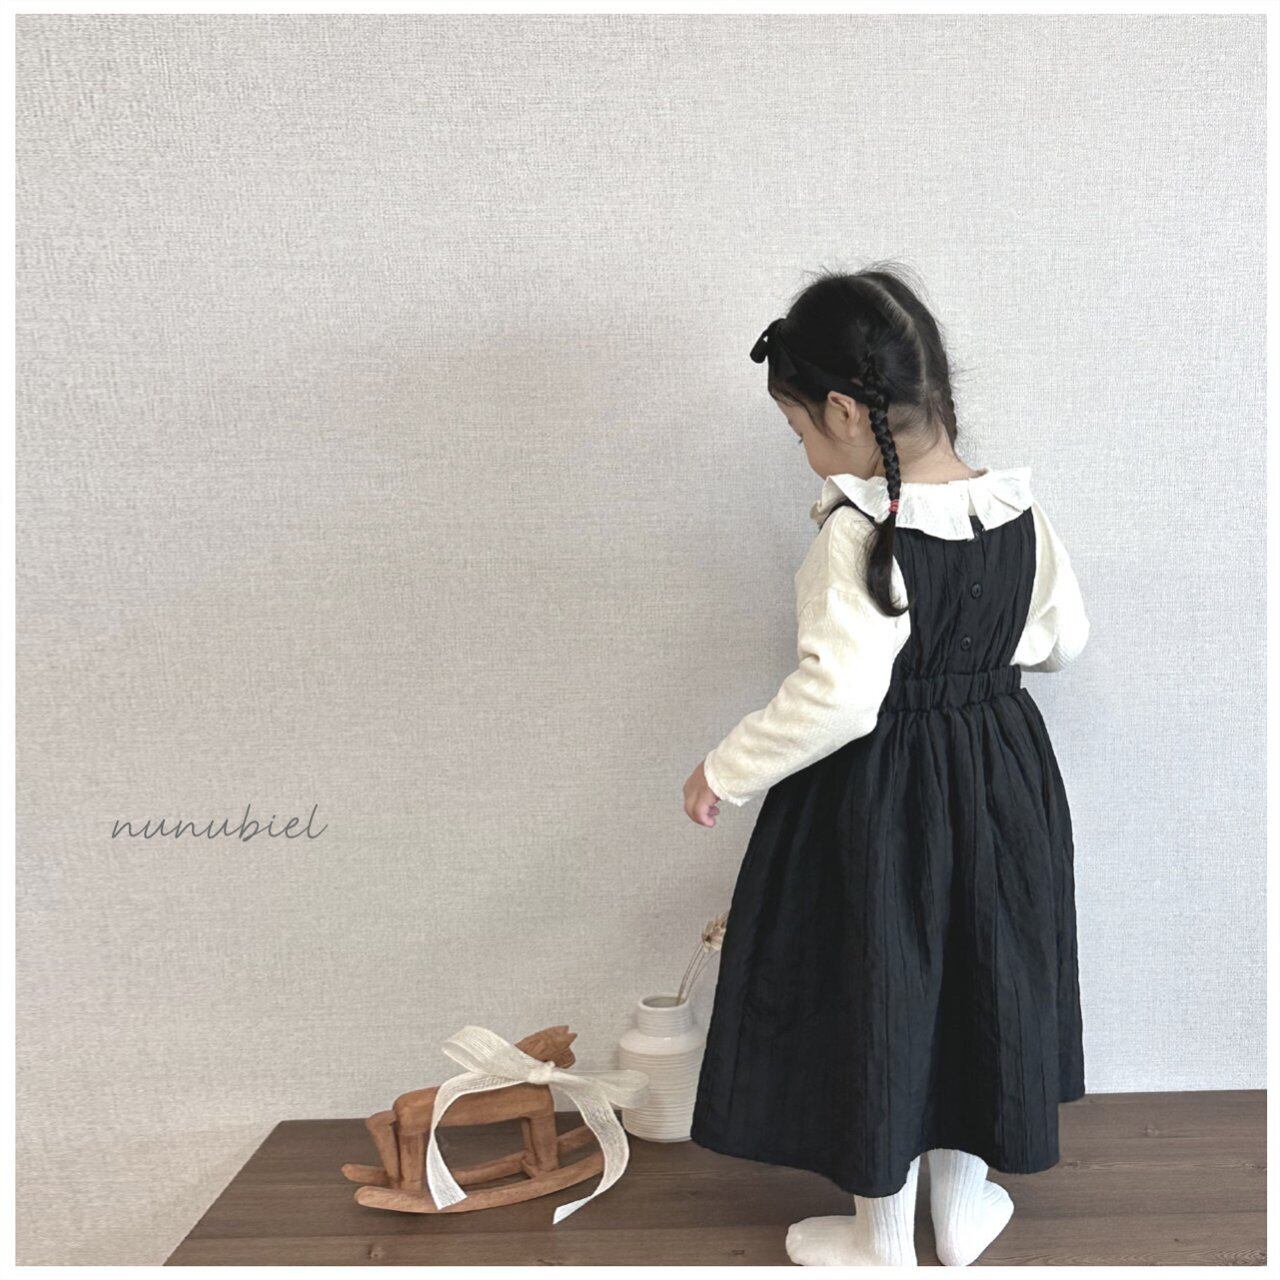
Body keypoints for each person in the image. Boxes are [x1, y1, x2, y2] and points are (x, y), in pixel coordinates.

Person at [682, 265, 1089, 1266]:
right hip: (1001, 783)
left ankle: (883, 1237)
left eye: (799, 433)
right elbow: (1060, 643)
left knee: (885, 989)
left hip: (884, 795)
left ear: (839, 411)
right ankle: (961, 1214)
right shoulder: (1019, 514)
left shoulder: (860, 532)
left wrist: (724, 769)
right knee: (978, 984)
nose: (805, 455)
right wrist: (975, 669)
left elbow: (839, 696)